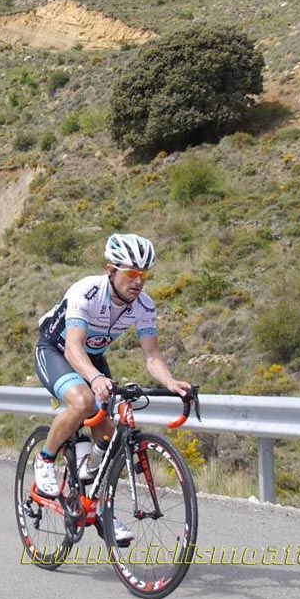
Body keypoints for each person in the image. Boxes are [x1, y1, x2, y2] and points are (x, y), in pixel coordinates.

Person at [33, 233, 193, 545]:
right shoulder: (87, 292)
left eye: (143, 275)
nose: (138, 282)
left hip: (91, 357)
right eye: (131, 273)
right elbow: (73, 349)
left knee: (109, 436)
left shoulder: (144, 306)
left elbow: (152, 356)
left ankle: (98, 504)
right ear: (111, 270)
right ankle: (46, 458)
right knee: (82, 402)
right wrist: (93, 379)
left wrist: (171, 382)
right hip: (57, 350)